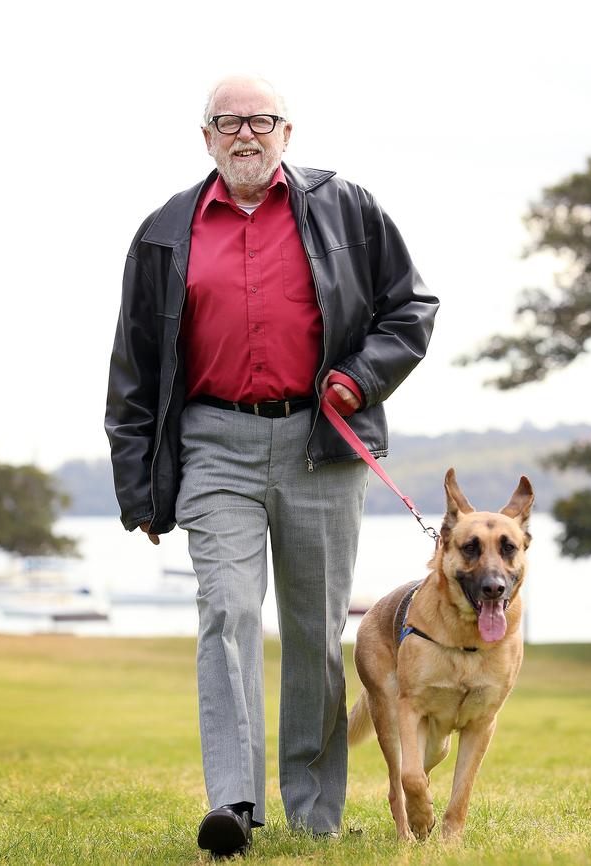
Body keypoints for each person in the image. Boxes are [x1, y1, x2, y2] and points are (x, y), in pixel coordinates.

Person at [104, 73, 439, 857]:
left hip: (321, 442)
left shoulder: (348, 208)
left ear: (288, 132)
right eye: (228, 122)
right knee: (224, 612)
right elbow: (134, 364)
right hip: (210, 442)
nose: (245, 134)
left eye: (261, 120)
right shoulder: (163, 231)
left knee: (316, 631)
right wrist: (139, 489)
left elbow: (411, 308)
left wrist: (359, 377)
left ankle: (317, 814)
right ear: (207, 137)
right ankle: (235, 808)